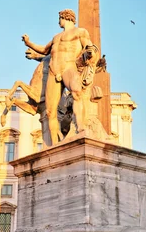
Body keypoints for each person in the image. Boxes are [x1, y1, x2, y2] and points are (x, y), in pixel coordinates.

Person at [22, 9, 97, 144]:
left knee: (77, 93)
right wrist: (29, 43)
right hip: (53, 71)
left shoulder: (80, 32)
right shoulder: (56, 37)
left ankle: (80, 126)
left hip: (68, 67)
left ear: (65, 17)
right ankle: (54, 144)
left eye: (59, 19)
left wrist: (91, 52)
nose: (58, 22)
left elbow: (89, 47)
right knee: (51, 111)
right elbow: (44, 50)